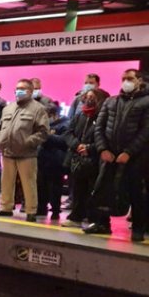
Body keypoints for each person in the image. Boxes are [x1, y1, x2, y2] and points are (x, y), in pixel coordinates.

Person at [84, 69, 149, 242]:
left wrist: (129, 152)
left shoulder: (148, 102)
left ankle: (138, 228)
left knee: (136, 192)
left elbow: (147, 131)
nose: (126, 82)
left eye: (129, 78)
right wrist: (102, 149)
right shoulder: (110, 101)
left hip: (135, 157)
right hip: (109, 155)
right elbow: (99, 127)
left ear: (139, 80)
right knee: (102, 190)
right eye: (123, 78)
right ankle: (101, 223)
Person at [0, 79, 50, 222]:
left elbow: (43, 132)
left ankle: (31, 211)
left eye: (23, 88)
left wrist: (28, 142)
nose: (19, 91)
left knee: (29, 183)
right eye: (17, 88)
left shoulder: (38, 109)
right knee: (6, 182)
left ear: (30, 91)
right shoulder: (8, 108)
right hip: (8, 152)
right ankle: (5, 207)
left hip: (27, 153)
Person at [61, 88, 107, 228]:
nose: (89, 99)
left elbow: (106, 138)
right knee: (77, 190)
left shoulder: (104, 117)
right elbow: (68, 133)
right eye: (87, 97)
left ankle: (92, 218)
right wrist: (77, 145)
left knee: (93, 191)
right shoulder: (80, 115)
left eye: (92, 97)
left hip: (95, 160)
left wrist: (90, 148)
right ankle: (76, 217)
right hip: (77, 159)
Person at [36, 101, 69, 221]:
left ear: (54, 114)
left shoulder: (65, 124)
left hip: (57, 162)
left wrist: (47, 136)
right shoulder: (43, 125)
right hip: (42, 160)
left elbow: (64, 141)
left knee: (55, 188)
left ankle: (55, 210)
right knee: (41, 186)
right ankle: (41, 208)